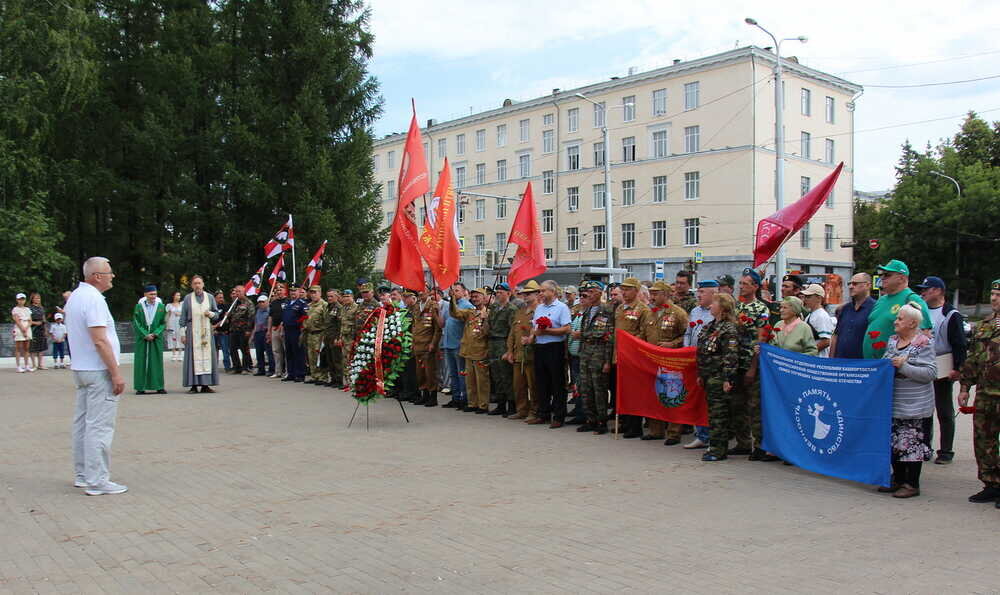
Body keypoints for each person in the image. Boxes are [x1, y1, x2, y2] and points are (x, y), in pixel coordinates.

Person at [66, 256, 127, 495]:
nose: (113, 276)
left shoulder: (75, 297)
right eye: (109, 272)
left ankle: (83, 474)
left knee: (82, 424)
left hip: (81, 369)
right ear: (97, 276)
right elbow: (100, 340)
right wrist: (116, 373)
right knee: (99, 427)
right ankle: (97, 480)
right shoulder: (93, 299)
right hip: (97, 370)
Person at [880, 304, 937, 499]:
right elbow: (884, 362)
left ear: (913, 323)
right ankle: (897, 479)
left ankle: (912, 484)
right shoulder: (892, 341)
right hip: (893, 401)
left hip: (915, 404)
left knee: (912, 444)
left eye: (900, 319)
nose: (896, 322)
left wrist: (904, 367)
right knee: (894, 442)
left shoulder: (924, 342)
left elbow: (930, 373)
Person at [916, 276, 967, 464]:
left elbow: (959, 344)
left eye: (926, 289)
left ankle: (946, 451)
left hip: (943, 366)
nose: (922, 293)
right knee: (924, 410)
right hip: (922, 365)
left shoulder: (951, 314)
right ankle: (924, 447)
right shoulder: (920, 311)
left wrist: (957, 368)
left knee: (944, 410)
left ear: (938, 291)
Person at [958, 279, 1000, 508]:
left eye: (998, 295)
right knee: (984, 439)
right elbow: (972, 359)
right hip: (985, 394)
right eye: (993, 294)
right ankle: (991, 483)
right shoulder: (983, 325)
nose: (994, 298)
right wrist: (965, 387)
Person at [643, 281, 689, 444]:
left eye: (656, 293)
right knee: (654, 395)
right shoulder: (651, 313)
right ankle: (656, 430)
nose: (652, 296)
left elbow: (687, 335)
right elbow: (643, 335)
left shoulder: (678, 313)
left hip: (671, 361)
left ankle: (674, 433)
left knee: (672, 395)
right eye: (651, 293)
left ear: (666, 294)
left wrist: (673, 343)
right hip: (652, 361)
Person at [696, 293, 740, 462]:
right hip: (708, 375)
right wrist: (700, 374)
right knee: (713, 413)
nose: (711, 306)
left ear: (722, 307)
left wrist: (728, 378)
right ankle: (715, 445)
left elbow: (731, 356)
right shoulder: (710, 326)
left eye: (714, 303)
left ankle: (718, 449)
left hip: (719, 376)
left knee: (719, 414)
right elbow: (702, 350)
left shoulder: (729, 328)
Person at [733, 268, 771, 457]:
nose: (741, 287)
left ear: (755, 286)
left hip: (751, 363)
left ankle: (760, 445)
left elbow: (761, 339)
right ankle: (743, 442)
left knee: (754, 406)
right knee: (737, 405)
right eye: (740, 283)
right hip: (735, 362)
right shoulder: (736, 307)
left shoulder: (760, 309)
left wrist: (752, 367)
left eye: (745, 284)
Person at [864, 260, 932, 359]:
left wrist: (905, 362)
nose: (882, 278)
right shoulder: (881, 300)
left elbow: (924, 336)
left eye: (887, 275)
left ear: (901, 278)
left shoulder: (912, 299)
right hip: (871, 364)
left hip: (893, 366)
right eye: (882, 274)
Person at [529, 280, 572, 428]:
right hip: (540, 347)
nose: (540, 294)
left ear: (553, 292)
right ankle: (543, 413)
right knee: (541, 382)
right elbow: (534, 326)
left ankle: (559, 416)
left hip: (555, 347)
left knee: (557, 383)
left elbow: (566, 329)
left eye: (543, 291)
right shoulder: (539, 308)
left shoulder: (562, 307)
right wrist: (532, 336)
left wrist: (547, 331)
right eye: (539, 291)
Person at [613, 277, 652, 438]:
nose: (624, 292)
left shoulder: (643, 310)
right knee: (621, 391)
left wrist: (630, 342)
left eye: (628, 289)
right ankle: (624, 422)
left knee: (634, 392)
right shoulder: (620, 308)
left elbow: (644, 333)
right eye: (623, 289)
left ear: (636, 291)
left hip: (634, 355)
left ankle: (635, 426)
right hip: (619, 354)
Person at [573, 280, 614, 435]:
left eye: (591, 292)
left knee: (599, 389)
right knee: (585, 387)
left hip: (599, 352)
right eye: (586, 292)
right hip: (585, 352)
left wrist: (607, 361)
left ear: (600, 292)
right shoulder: (586, 310)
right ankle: (591, 419)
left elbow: (608, 336)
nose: (587, 295)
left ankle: (602, 421)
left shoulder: (607, 311)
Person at [684, 280, 718, 449]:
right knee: (697, 398)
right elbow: (688, 333)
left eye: (703, 292)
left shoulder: (718, 312)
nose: (698, 295)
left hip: (711, 361)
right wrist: (686, 351)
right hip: (695, 359)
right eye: (698, 291)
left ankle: (714, 437)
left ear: (713, 294)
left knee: (711, 400)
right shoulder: (695, 311)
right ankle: (701, 434)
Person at [451, 287, 491, 414]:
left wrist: (486, 319)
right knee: (470, 380)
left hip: (481, 351)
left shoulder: (489, 312)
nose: (474, 299)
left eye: (477, 296)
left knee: (482, 380)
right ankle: (472, 403)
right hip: (468, 350)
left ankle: (483, 405)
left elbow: (489, 332)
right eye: (473, 297)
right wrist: (452, 299)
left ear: (485, 298)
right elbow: (455, 313)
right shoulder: (470, 312)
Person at [180, 275, 221, 393]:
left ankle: (205, 385)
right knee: (192, 358)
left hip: (206, 332)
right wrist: (182, 334)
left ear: (203, 284)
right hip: (192, 331)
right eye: (195, 283)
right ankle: (193, 385)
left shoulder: (210, 297)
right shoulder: (188, 298)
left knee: (207, 357)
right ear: (192, 285)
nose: (197, 285)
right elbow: (183, 317)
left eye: (199, 283)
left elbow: (217, 314)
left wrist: (211, 314)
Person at [506, 281, 539, 421]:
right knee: (518, 385)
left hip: (532, 354)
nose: (525, 296)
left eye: (528, 293)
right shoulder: (519, 312)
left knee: (534, 385)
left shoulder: (540, 311)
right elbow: (513, 333)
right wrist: (509, 351)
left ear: (537, 294)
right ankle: (522, 409)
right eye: (524, 294)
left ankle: (535, 411)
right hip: (518, 354)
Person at [487, 282, 517, 416]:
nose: (498, 295)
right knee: (496, 375)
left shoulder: (512, 309)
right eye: (497, 292)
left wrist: (509, 349)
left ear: (508, 293)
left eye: (501, 292)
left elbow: (512, 331)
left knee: (506, 376)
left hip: (503, 343)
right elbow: (489, 325)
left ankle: (511, 404)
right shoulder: (493, 307)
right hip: (493, 343)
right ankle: (500, 404)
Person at [131, 285, 167, 395]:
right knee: (141, 362)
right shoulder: (139, 307)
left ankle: (159, 386)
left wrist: (156, 333)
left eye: (155, 294)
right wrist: (145, 334)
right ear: (145, 294)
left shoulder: (160, 306)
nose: (153, 296)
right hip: (143, 339)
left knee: (156, 361)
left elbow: (163, 322)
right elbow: (136, 322)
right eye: (151, 294)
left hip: (156, 338)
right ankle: (140, 387)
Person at [830, 273, 875, 359]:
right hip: (840, 362)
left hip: (861, 364)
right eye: (849, 284)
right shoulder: (844, 309)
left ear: (868, 285)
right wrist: (831, 359)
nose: (850, 287)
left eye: (855, 284)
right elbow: (836, 335)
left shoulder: (875, 308)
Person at [441, 283, 471, 409]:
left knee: (461, 373)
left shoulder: (467, 306)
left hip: (459, 343)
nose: (454, 293)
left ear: (464, 292)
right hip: (448, 343)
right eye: (452, 290)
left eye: (457, 290)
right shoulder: (450, 305)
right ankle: (455, 397)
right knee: (452, 373)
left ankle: (464, 398)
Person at [411, 288, 442, 407]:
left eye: (423, 290)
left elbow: (437, 329)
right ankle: (424, 395)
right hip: (417, 344)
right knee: (420, 373)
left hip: (428, 345)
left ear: (429, 292)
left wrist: (433, 344)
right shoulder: (416, 306)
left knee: (430, 373)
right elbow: (414, 325)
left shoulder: (432, 305)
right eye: (418, 291)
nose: (420, 293)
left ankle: (433, 396)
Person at [302, 285, 329, 385]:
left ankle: (323, 377)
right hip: (310, 334)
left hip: (320, 334)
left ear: (320, 293)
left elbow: (327, 321)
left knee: (320, 356)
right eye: (311, 293)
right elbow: (305, 318)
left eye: (315, 292)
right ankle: (315, 376)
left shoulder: (324, 305)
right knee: (311, 356)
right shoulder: (309, 305)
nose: (313, 295)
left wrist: (325, 335)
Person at [282, 284, 309, 383]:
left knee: (298, 352)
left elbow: (306, 317)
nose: (293, 293)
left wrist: (301, 327)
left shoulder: (302, 303)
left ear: (299, 292)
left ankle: (300, 374)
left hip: (296, 330)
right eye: (291, 291)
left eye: (295, 290)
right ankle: (291, 373)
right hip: (287, 330)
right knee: (289, 352)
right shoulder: (287, 302)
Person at [800, 284, 835, 357]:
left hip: (819, 359)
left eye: (808, 297)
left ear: (819, 298)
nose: (805, 299)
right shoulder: (811, 314)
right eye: (805, 296)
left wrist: (809, 353)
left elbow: (826, 341)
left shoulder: (821, 316)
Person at [227, 285, 255, 374]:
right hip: (233, 329)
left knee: (244, 348)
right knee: (232, 348)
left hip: (243, 329)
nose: (237, 293)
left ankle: (245, 367)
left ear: (244, 292)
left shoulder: (248, 303)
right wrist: (227, 315)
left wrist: (248, 330)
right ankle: (236, 367)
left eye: (239, 291)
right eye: (236, 291)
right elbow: (231, 315)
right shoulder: (234, 303)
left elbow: (251, 317)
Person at [338, 290, 358, 390]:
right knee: (344, 360)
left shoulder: (356, 308)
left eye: (348, 296)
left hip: (351, 338)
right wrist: (340, 337)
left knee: (351, 359)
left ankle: (353, 381)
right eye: (344, 296)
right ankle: (347, 381)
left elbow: (357, 324)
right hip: (344, 338)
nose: (346, 298)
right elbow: (341, 324)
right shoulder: (343, 308)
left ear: (352, 297)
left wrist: (356, 339)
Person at [267, 283, 289, 379]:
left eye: (281, 289)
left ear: (285, 290)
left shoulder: (288, 301)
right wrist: (269, 330)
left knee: (286, 350)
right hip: (274, 329)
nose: (279, 291)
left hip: (284, 329)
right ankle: (278, 371)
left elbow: (288, 316)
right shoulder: (274, 303)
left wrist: (282, 326)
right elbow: (270, 317)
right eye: (277, 290)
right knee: (276, 351)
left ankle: (288, 371)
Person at [322, 289, 343, 388]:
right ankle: (333, 378)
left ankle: (339, 380)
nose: (329, 298)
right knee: (329, 359)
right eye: (328, 296)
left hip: (334, 337)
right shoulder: (328, 307)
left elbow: (340, 324)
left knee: (336, 359)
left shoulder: (338, 307)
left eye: (331, 296)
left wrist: (338, 337)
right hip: (327, 337)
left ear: (337, 297)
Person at [252, 295, 275, 376]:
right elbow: (256, 323)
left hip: (266, 332)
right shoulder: (258, 311)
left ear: (267, 302)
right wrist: (253, 335)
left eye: (263, 302)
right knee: (259, 352)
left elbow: (271, 323)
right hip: (258, 332)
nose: (261, 304)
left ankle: (272, 369)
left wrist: (269, 333)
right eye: (259, 302)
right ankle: (261, 369)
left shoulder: (270, 311)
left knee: (269, 352)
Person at [11, 292, 33, 372]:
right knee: (18, 348)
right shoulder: (15, 309)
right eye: (20, 299)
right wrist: (22, 328)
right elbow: (16, 320)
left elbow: (30, 320)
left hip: (27, 327)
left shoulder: (27, 309)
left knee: (26, 347)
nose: (21, 301)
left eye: (23, 299)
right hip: (19, 327)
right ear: (17, 300)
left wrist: (26, 328)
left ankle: (27, 365)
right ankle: (18, 366)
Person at [212, 290, 232, 372]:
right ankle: (214, 367)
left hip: (223, 332)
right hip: (214, 332)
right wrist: (212, 328)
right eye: (219, 297)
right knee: (214, 351)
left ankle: (227, 367)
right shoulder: (211, 308)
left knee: (225, 350)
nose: (221, 299)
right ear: (215, 298)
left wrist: (215, 326)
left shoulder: (226, 307)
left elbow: (225, 319)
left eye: (222, 297)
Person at [28, 292, 48, 370]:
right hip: (33, 329)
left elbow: (44, 319)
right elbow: (27, 320)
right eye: (36, 298)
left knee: (41, 347)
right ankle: (33, 365)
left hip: (41, 329)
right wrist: (36, 323)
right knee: (33, 347)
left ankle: (40, 364)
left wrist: (45, 329)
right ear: (32, 299)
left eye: (39, 298)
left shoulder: (41, 308)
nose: (37, 299)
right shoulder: (29, 308)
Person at [165, 291, 184, 361]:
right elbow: (167, 315)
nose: (178, 297)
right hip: (172, 323)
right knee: (172, 337)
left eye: (179, 295)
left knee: (180, 336)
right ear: (173, 296)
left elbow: (185, 313)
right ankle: (174, 354)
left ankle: (180, 354)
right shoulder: (169, 305)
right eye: (177, 295)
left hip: (180, 323)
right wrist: (167, 325)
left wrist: (180, 314)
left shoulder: (182, 304)